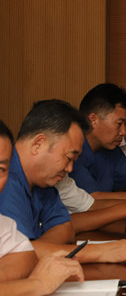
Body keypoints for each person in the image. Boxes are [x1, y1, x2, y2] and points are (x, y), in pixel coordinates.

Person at [0, 99, 126, 263]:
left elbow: (65, 228)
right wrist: (98, 252)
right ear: (38, 144)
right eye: (68, 158)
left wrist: (39, 251)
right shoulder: (6, 180)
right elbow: (15, 256)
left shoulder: (42, 179)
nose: (70, 169)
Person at [0, 118, 85, 295]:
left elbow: (25, 255)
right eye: (68, 158)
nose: (70, 168)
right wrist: (36, 285)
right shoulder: (13, 184)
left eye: (1, 169)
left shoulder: (4, 224)